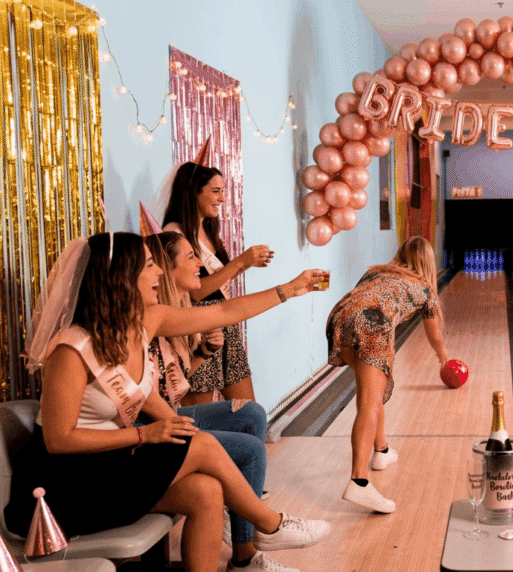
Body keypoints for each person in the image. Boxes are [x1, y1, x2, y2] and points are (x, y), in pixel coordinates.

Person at [7, 232, 330, 572]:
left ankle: (263, 532)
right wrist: (144, 435)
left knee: (206, 492)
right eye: (149, 265)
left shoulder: (144, 321)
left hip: (109, 464)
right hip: (63, 485)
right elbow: (58, 441)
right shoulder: (70, 351)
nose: (160, 273)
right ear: (122, 276)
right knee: (203, 447)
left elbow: (223, 311)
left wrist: (290, 289)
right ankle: (270, 525)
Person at [145, 232, 288, 572]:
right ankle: (259, 532)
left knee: (251, 413)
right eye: (191, 257)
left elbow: (172, 379)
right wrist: (290, 289)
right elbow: (225, 309)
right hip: (151, 423)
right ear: (166, 266)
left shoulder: (175, 308)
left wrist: (202, 352)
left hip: (166, 413)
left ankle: (246, 548)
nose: (200, 265)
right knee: (248, 449)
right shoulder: (152, 315)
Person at [326, 236, 449, 514]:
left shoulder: (375, 270)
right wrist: (444, 359)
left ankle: (381, 451)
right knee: (371, 400)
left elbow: (362, 300)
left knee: (371, 394)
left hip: (340, 317)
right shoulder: (425, 288)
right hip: (373, 321)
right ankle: (359, 481)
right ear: (428, 262)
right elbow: (434, 335)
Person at [163, 162, 273, 404]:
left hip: (225, 325)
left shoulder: (208, 229)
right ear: (193, 192)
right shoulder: (174, 234)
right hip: (200, 329)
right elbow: (197, 293)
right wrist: (239, 261)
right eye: (215, 191)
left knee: (247, 411)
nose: (222, 198)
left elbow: (214, 283)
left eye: (223, 191)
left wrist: (246, 264)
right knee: (203, 422)